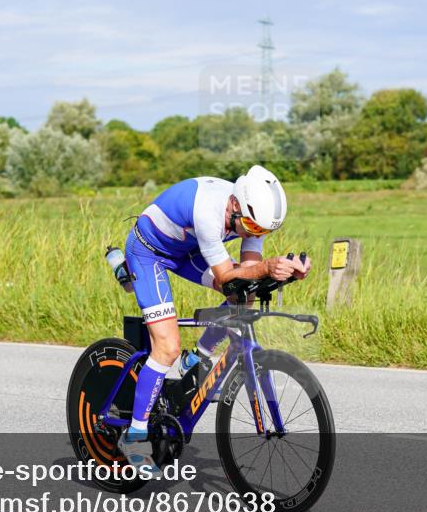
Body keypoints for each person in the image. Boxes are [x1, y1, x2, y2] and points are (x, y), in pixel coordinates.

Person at [118, 165, 311, 474]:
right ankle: (135, 436)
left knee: (243, 296)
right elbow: (226, 274)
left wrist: (288, 271)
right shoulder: (209, 210)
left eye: (261, 232)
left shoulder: (251, 217)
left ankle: (197, 358)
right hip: (149, 252)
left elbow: (248, 276)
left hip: (187, 249)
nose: (252, 235)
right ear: (235, 204)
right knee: (166, 348)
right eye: (250, 227)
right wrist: (267, 268)